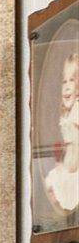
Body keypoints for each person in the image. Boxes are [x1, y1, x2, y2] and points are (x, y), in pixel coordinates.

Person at [44, 45, 79, 219]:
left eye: (72, 80)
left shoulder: (77, 111)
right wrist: (60, 163)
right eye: (64, 81)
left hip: (75, 171)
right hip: (68, 169)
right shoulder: (66, 114)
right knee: (50, 184)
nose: (66, 87)